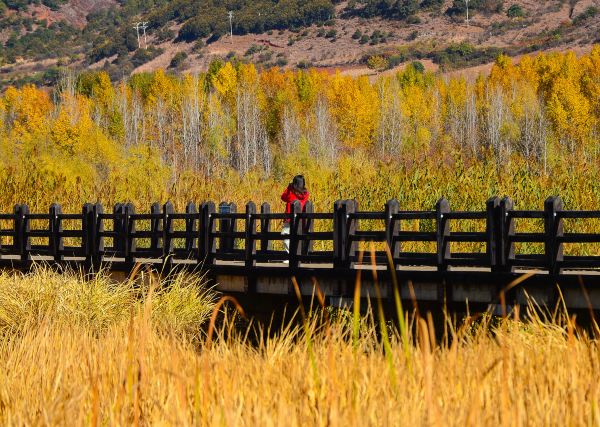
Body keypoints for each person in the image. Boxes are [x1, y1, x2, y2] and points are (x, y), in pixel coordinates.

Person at [281, 175, 309, 254]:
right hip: (299, 219)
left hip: (289, 218)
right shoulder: (306, 193)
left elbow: (285, 198)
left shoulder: (292, 193)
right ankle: (294, 254)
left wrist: (289, 189)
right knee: (294, 237)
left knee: (285, 235)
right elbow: (283, 198)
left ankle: (290, 255)